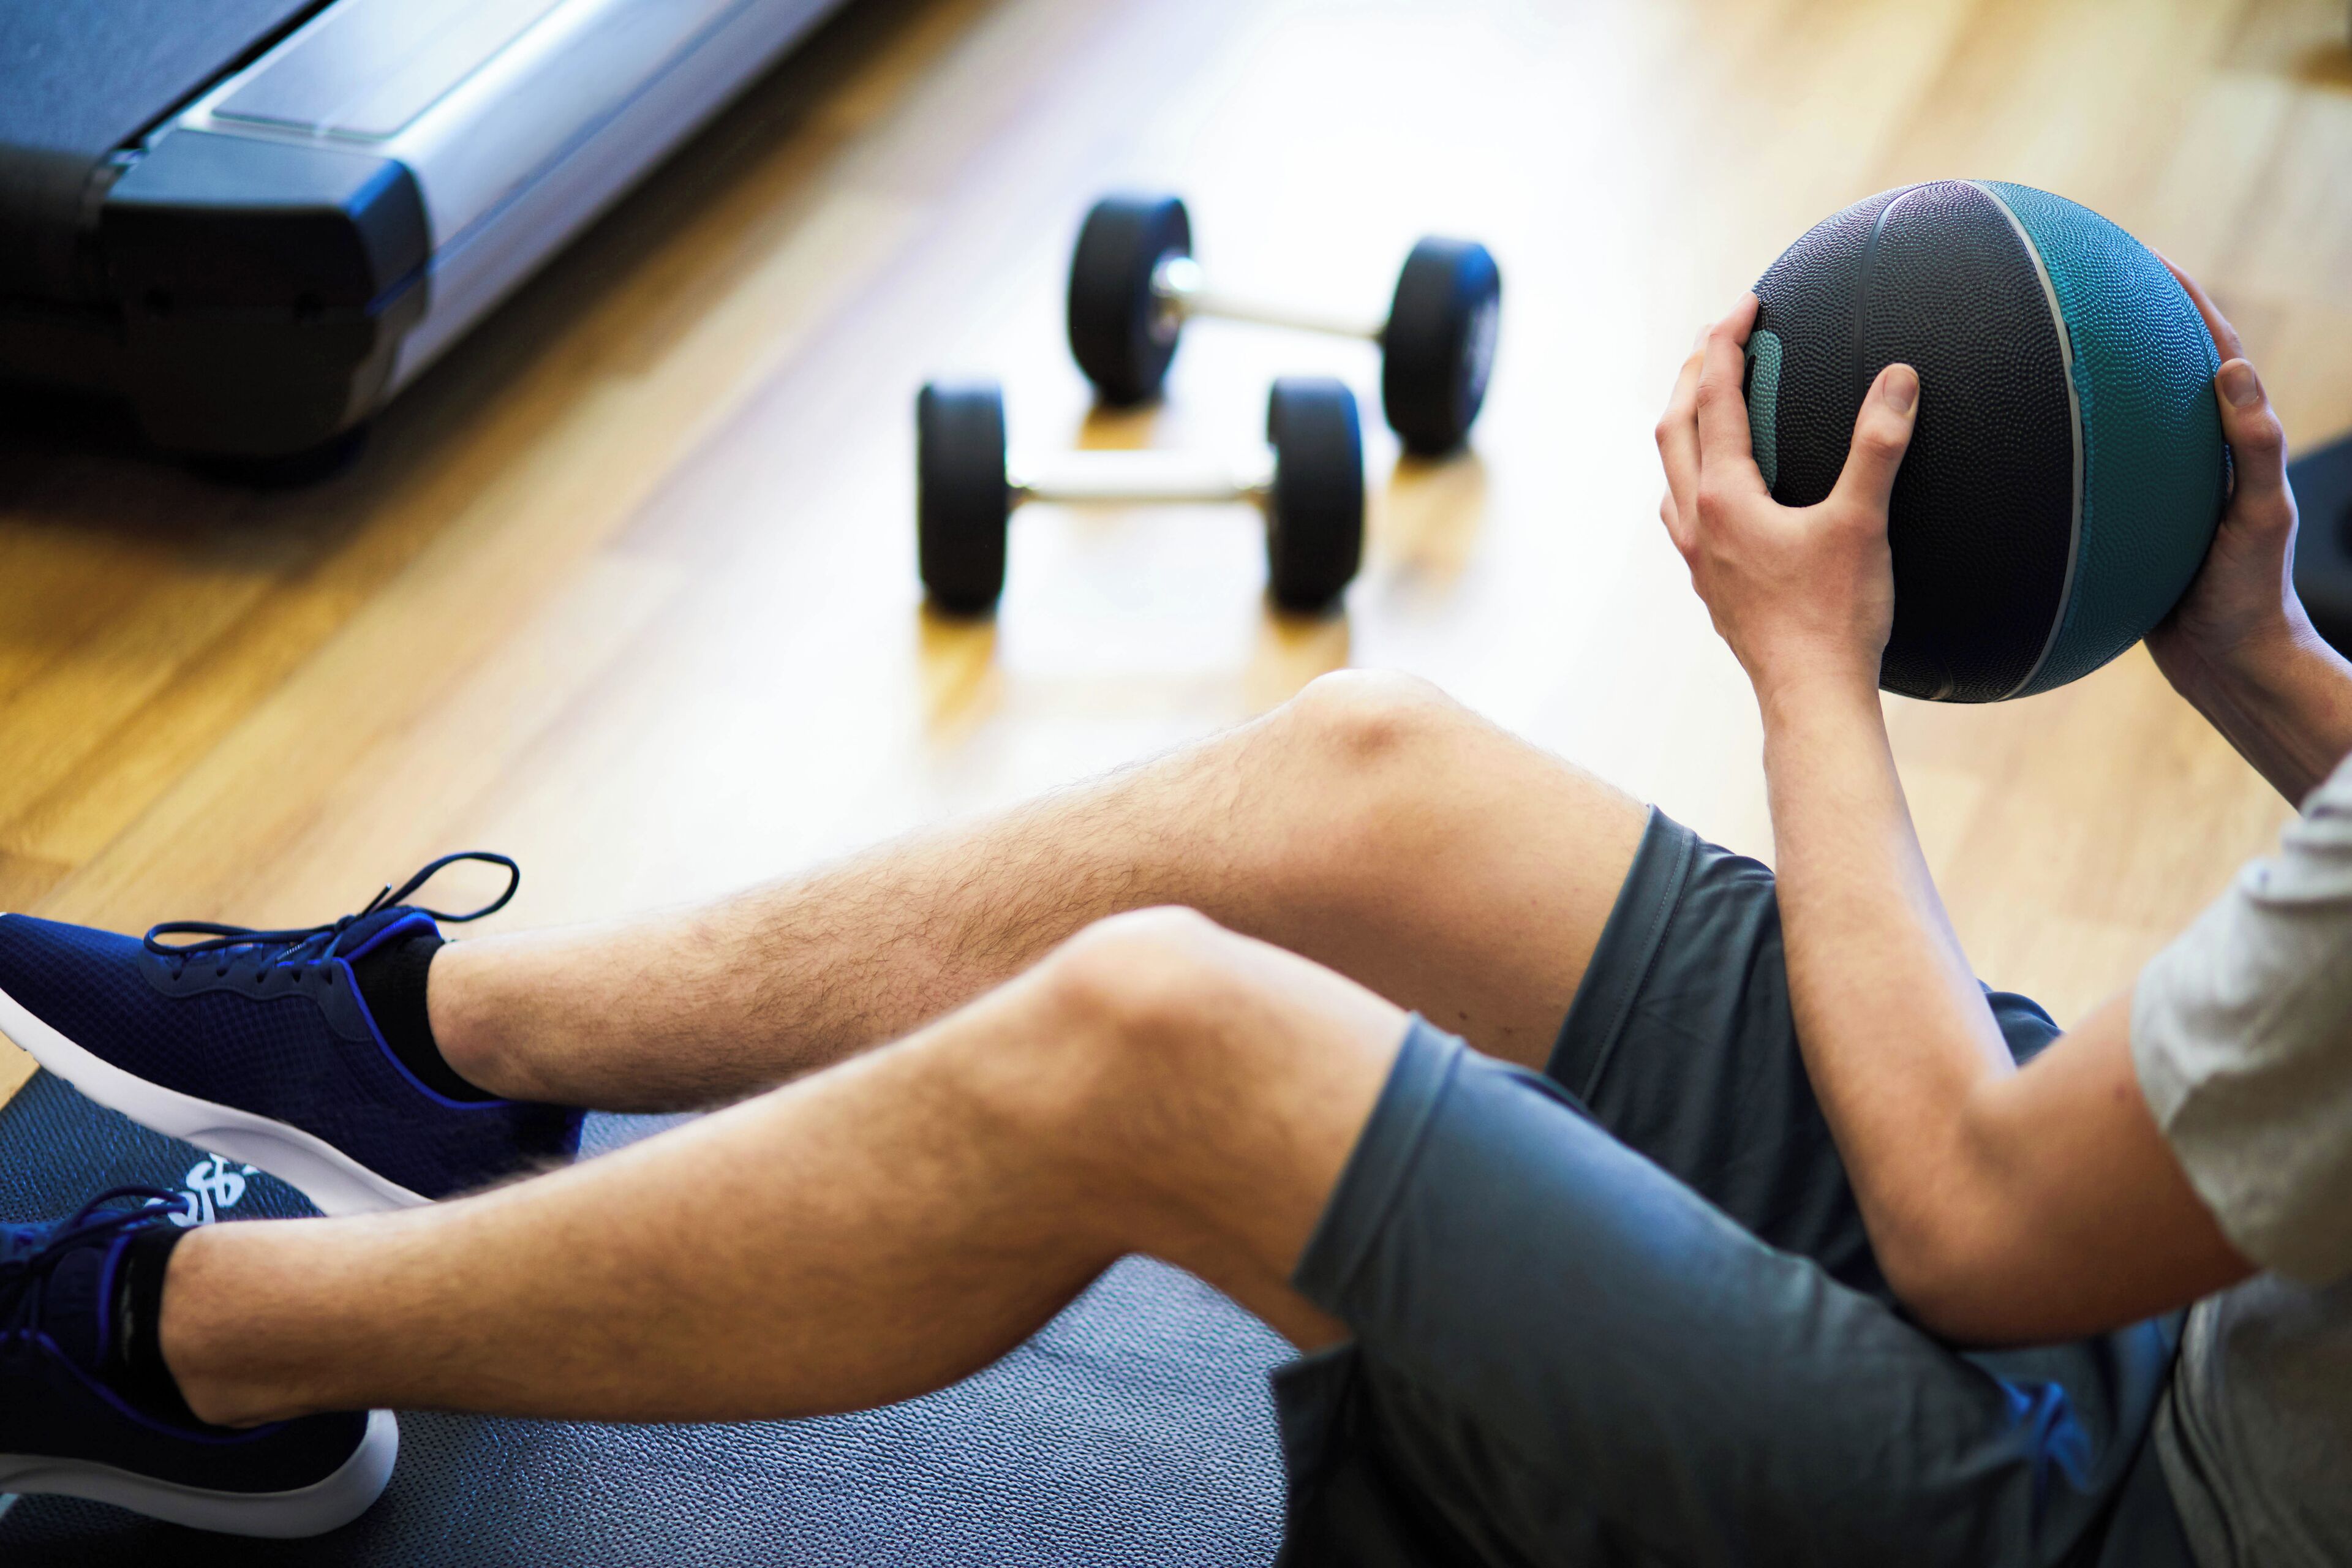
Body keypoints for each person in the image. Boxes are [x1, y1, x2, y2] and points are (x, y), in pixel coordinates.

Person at [0, 266, 2340, 1567]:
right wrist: (2288, 685)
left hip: (2137, 1520)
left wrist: (1810, 682)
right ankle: (434, 1049)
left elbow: (1963, 1226)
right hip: (2189, 1313)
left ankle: (200, 1344)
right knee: (1378, 779)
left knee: (1162, 1049)